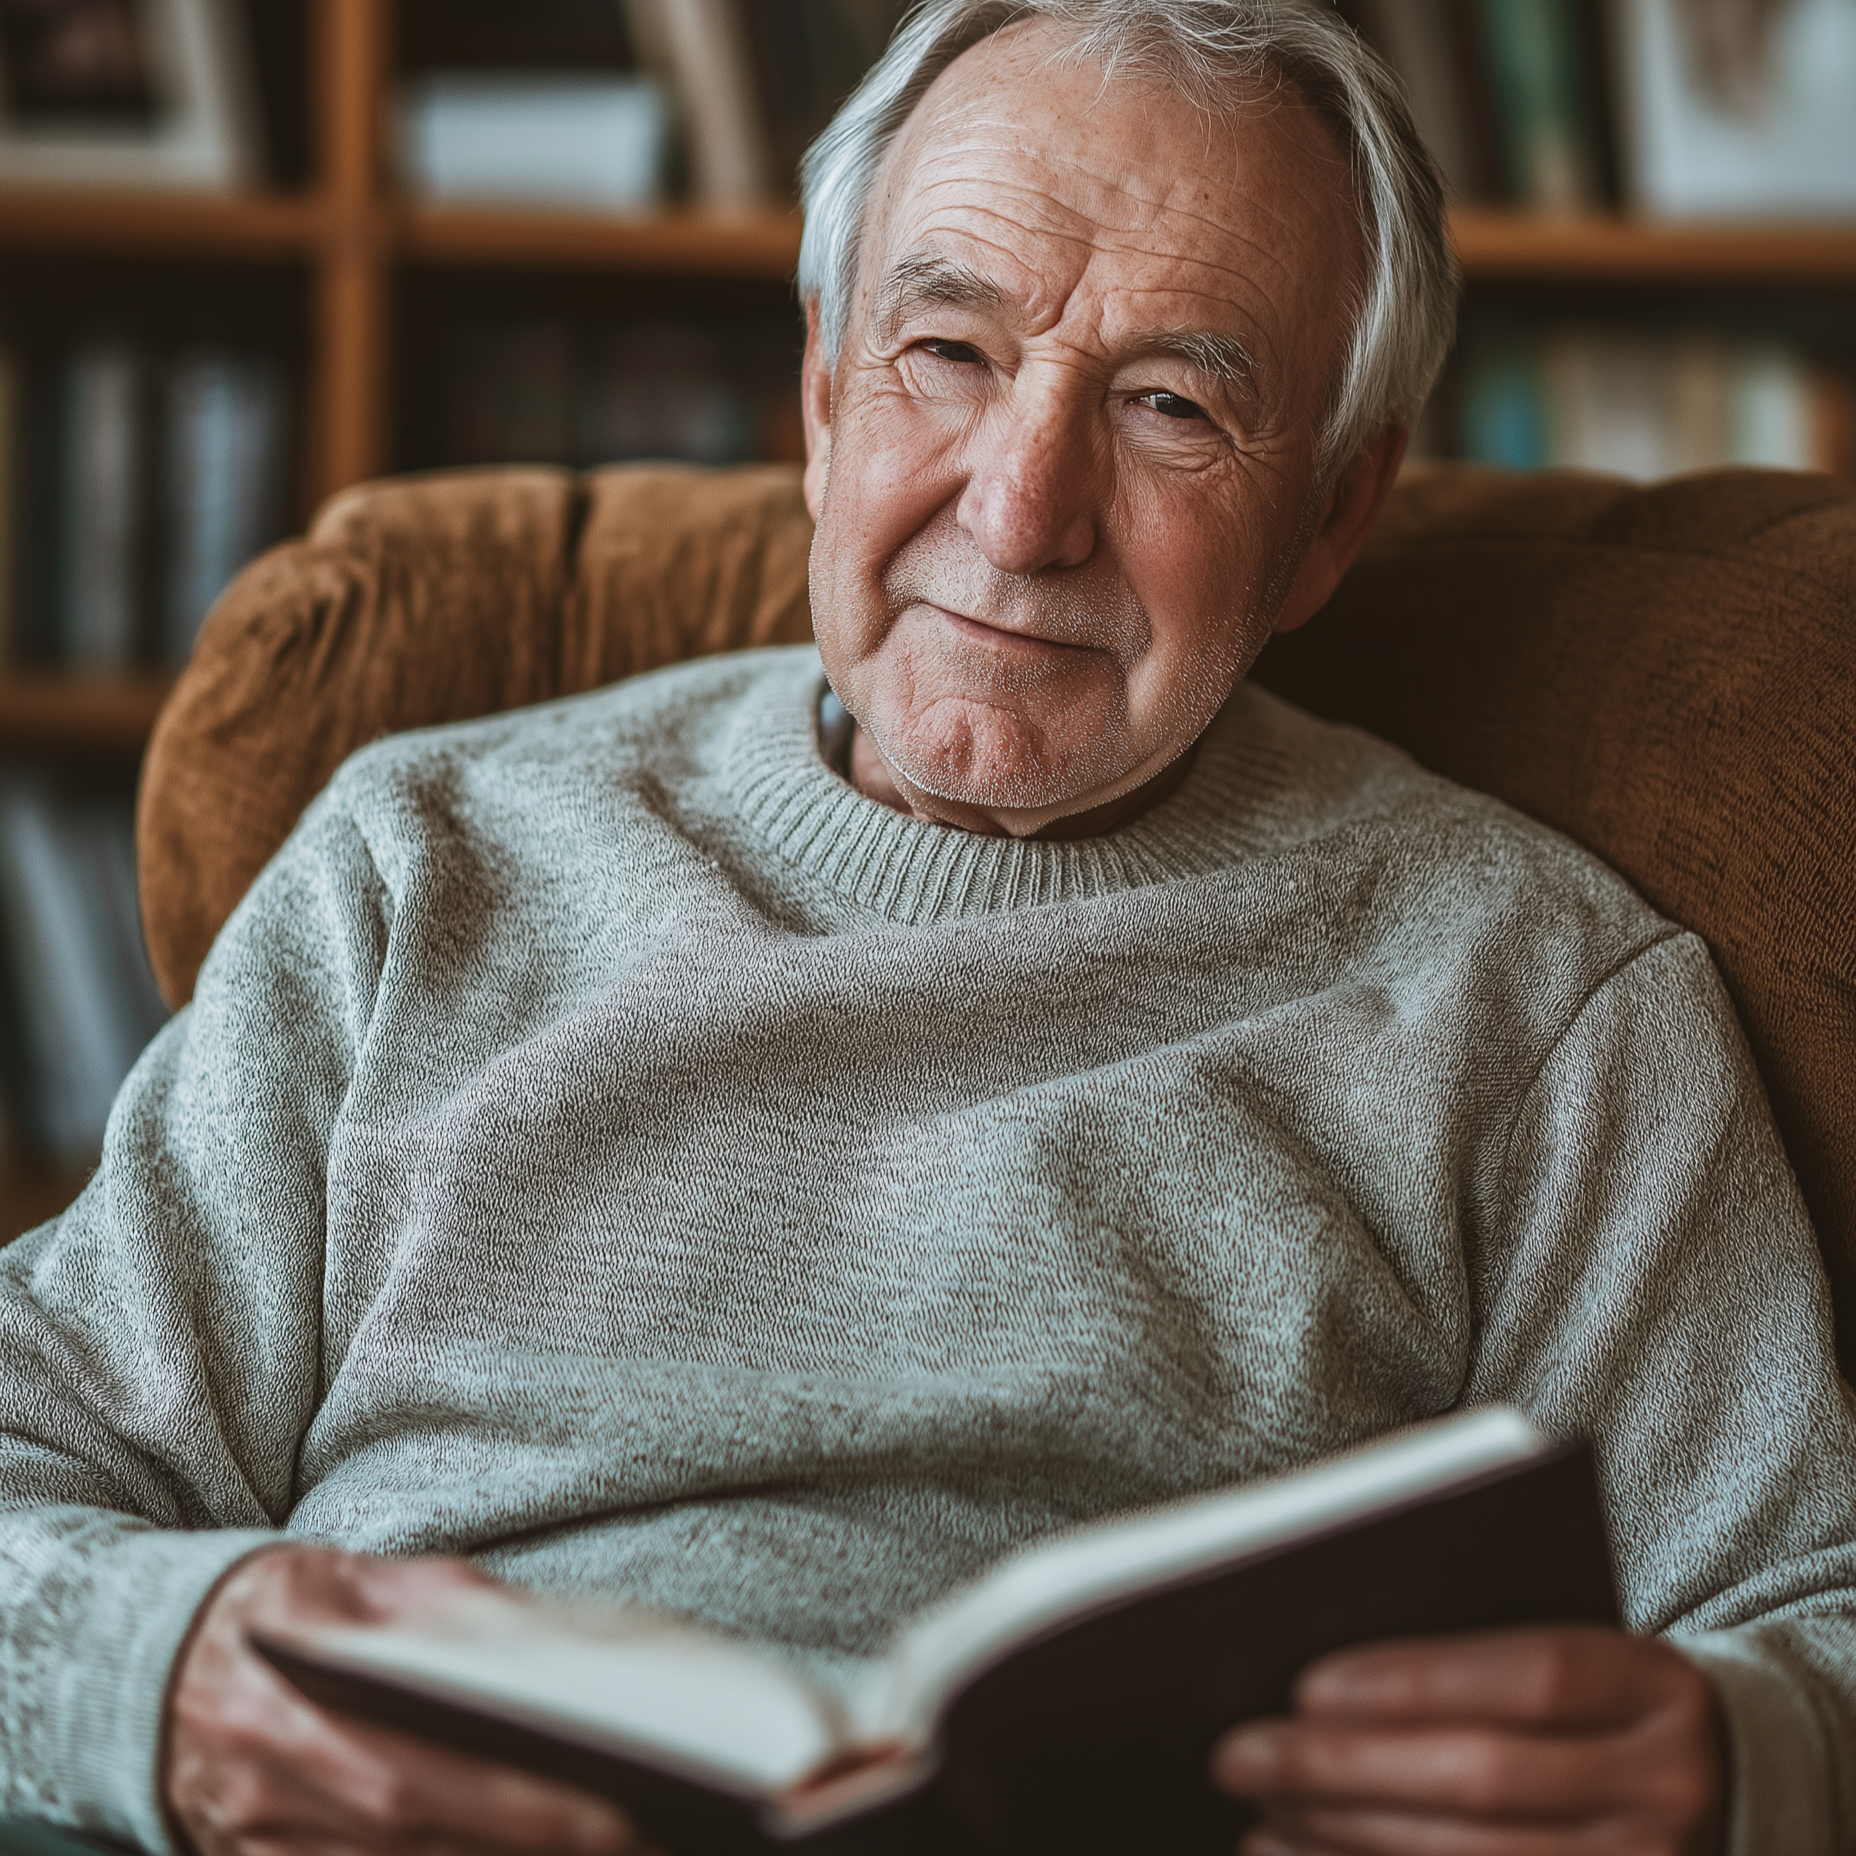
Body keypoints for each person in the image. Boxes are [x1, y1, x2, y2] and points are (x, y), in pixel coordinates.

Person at [0, 2, 1851, 1853]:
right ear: (823, 402)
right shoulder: (426, 862)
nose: (1024, 508)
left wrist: (1738, 1760)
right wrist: (149, 1669)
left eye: (1170, 408)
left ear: (1328, 518)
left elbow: (1806, 1609)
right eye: (948, 351)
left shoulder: (1537, 997)